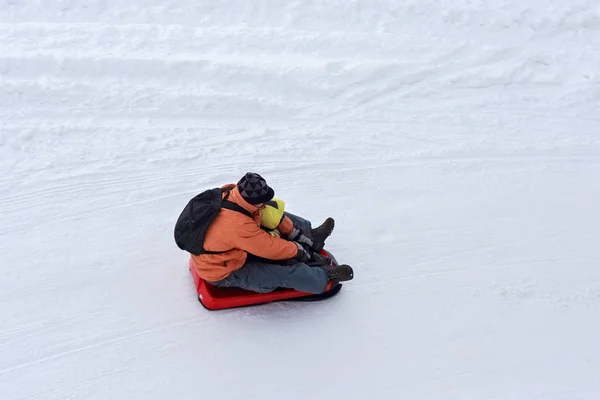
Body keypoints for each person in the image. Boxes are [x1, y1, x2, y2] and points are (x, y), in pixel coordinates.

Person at [189, 172, 354, 294]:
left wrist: (293, 234)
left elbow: (267, 214)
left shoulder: (232, 192)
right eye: (261, 201)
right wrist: (297, 249)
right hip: (222, 268)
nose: (264, 203)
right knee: (277, 273)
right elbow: (270, 248)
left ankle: (311, 236)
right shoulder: (238, 226)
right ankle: (324, 277)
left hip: (230, 246)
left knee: (273, 213)